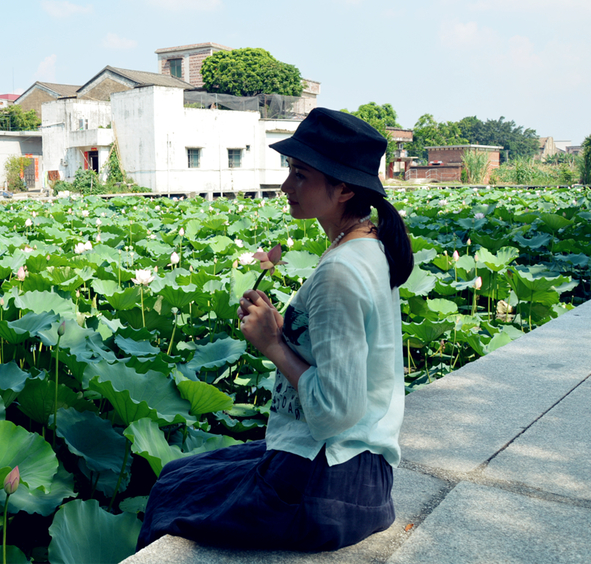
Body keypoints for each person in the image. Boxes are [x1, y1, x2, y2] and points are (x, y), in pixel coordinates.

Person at [137, 107, 413, 551]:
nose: (286, 187)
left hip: (328, 486)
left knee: (171, 497)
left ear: (342, 189)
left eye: (300, 175)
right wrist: (285, 329)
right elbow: (337, 355)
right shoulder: (367, 246)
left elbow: (337, 410)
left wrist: (272, 346)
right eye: (290, 172)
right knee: (177, 472)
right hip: (359, 474)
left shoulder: (340, 271)